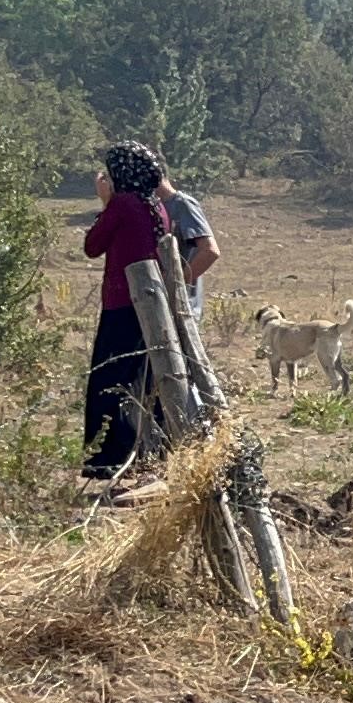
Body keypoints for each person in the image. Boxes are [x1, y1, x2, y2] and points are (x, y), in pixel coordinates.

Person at [80, 141, 174, 479]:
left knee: (109, 379)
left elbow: (92, 246)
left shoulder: (122, 205)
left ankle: (108, 458)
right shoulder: (156, 206)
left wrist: (105, 203)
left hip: (121, 305)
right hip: (151, 307)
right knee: (146, 381)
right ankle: (153, 452)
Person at [162, 182, 220, 316]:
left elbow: (210, 251)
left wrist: (176, 283)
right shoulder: (155, 205)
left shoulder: (182, 204)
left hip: (182, 308)